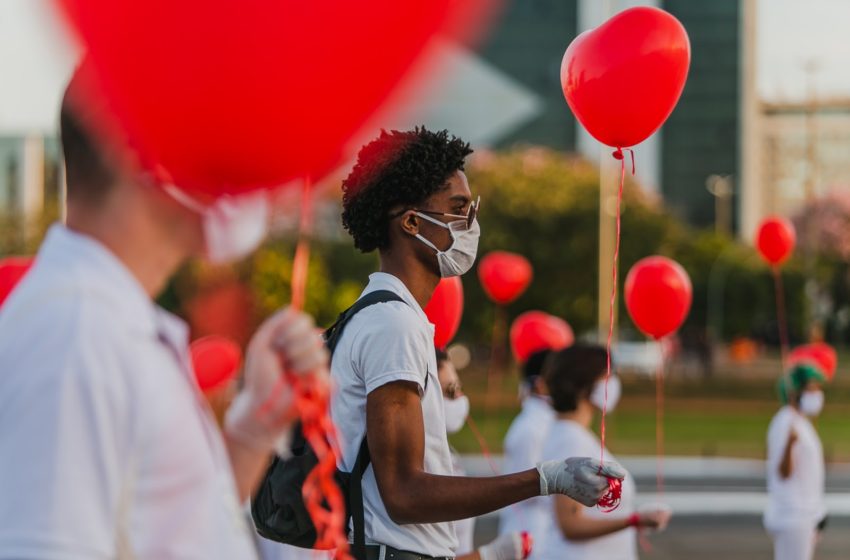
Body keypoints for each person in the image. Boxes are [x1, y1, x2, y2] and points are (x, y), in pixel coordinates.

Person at [0, 74, 327, 558]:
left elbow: (173, 532)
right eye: (205, 139)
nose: (230, 170)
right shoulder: (75, 336)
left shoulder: (104, 319)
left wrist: (255, 427)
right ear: (136, 154)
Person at [331, 127, 624, 560]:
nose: (471, 225)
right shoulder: (393, 325)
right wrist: (546, 478)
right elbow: (405, 495)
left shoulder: (382, 315)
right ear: (412, 222)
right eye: (458, 209)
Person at [536, 344, 670, 560]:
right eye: (606, 376)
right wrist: (635, 520)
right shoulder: (570, 440)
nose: (612, 383)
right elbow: (570, 524)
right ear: (583, 384)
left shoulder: (574, 434)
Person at [436, 349, 529, 560]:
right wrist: (489, 555)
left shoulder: (447, 453)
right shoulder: (417, 463)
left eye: (460, 389)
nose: (460, 399)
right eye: (450, 390)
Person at [764, 362, 829, 560]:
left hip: (804, 515)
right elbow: (783, 472)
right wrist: (789, 445)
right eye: (811, 388)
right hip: (793, 516)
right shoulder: (785, 422)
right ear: (796, 392)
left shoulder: (801, 422)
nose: (816, 394)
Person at [499, 349, 556, 548]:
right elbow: (527, 488)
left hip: (540, 529)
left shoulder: (545, 422)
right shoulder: (530, 429)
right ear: (540, 385)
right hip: (530, 533)